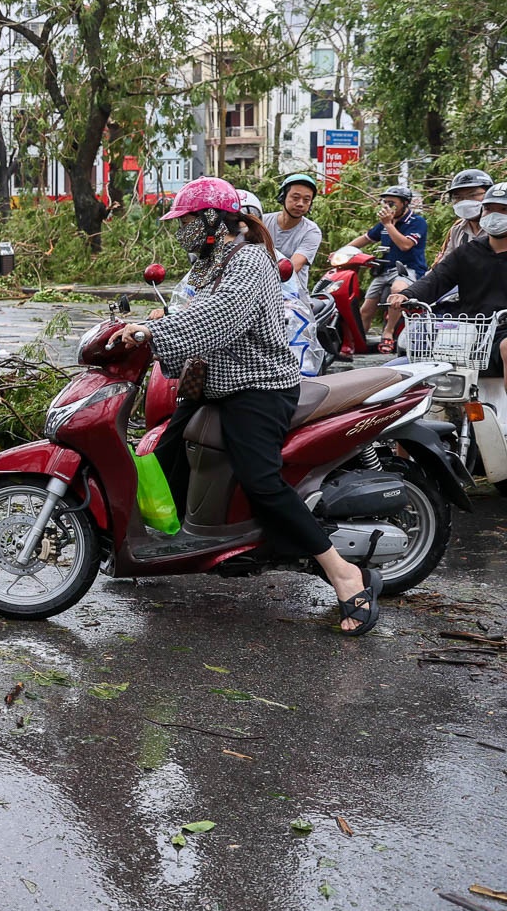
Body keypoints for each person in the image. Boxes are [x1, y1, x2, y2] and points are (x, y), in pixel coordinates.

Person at [105, 176, 380, 634]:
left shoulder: (251, 260)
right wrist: (142, 325)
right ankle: (163, 552)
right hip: (211, 384)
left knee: (261, 479)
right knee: (166, 451)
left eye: (187, 222)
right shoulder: (208, 264)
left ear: (213, 219)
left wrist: (156, 335)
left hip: (259, 387)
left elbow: (221, 316)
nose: (182, 232)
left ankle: (346, 575)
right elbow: (187, 309)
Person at [389, 181, 507, 370]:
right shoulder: (467, 252)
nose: (495, 216)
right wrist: (407, 294)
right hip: (469, 332)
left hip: (503, 332)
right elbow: (436, 279)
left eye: (503, 210)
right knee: (406, 367)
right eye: (489, 209)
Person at [346, 184, 429, 352]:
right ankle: (358, 341)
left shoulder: (417, 222)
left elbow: (406, 245)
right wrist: (343, 251)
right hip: (385, 270)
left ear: (405, 203)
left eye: (392, 203)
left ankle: (388, 332)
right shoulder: (384, 224)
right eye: (385, 202)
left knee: (398, 290)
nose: (387, 207)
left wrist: (388, 225)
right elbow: (366, 238)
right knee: (366, 308)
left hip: (407, 269)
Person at [264, 173, 323, 293]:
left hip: (294, 296)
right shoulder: (262, 222)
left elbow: (291, 267)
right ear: (283, 197)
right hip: (260, 292)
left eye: (306, 200)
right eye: (295, 198)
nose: (300, 203)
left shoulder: (311, 231)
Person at [433, 168, 494, 264]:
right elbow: (443, 265)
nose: (465, 201)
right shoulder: (457, 230)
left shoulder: (501, 227)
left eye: (473, 195)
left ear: (489, 194)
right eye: (458, 197)